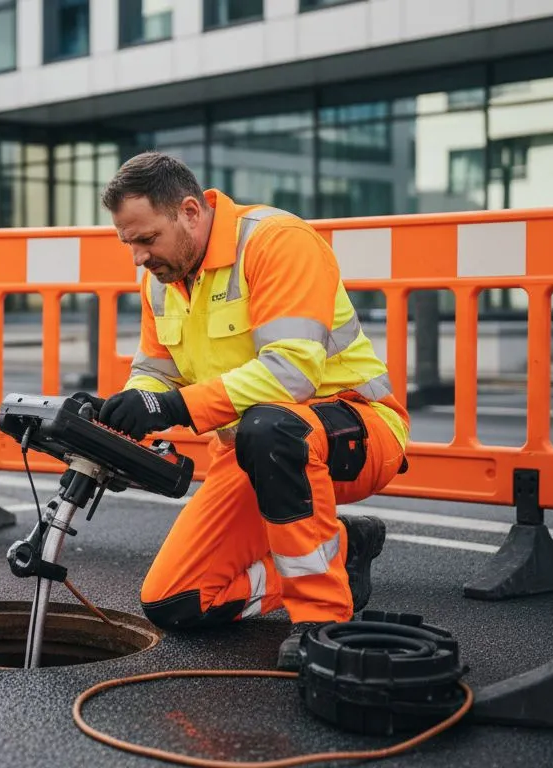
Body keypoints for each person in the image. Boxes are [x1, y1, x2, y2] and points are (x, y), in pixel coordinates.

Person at [91, 151, 409, 670]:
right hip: (254, 450)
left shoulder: (277, 241)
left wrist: (171, 405)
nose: (139, 258)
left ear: (190, 211)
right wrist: (134, 403)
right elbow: (159, 370)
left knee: (271, 428)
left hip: (356, 430)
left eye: (147, 239)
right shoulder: (161, 280)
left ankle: (322, 621)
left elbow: (291, 374)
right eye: (128, 243)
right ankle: (342, 549)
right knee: (177, 601)